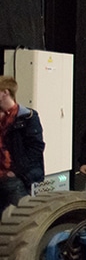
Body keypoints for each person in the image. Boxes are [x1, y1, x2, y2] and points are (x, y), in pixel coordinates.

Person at [0, 75, 45, 211]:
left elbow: (36, 148)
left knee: (20, 217)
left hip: (15, 178)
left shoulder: (27, 117)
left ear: (5, 92)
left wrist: (16, 172)